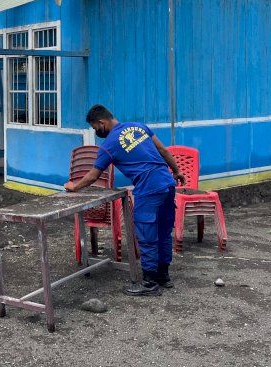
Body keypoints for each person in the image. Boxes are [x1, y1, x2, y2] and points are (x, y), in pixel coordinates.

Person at [64, 104, 186, 296]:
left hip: (148, 188)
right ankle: (164, 277)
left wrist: (74, 186)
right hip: (167, 183)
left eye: (96, 128)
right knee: (163, 232)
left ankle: (149, 284)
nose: (97, 133)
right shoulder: (139, 127)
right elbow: (163, 150)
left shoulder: (109, 145)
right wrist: (177, 170)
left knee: (146, 236)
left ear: (102, 122)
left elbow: (93, 175)